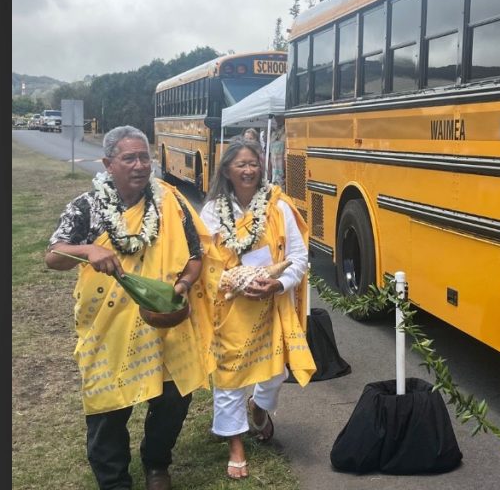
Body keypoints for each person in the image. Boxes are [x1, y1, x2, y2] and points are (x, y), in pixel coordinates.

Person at [45, 125, 214, 490]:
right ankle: (114, 480)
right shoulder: (86, 207)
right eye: (129, 158)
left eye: (144, 157)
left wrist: (181, 287)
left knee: (173, 399)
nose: (140, 165)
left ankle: (157, 464)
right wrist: (87, 250)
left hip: (163, 323)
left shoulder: (171, 203)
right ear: (109, 163)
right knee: (109, 409)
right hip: (109, 328)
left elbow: (195, 258)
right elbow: (53, 255)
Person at [198, 137, 316, 480]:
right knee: (229, 378)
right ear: (227, 171)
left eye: (253, 164)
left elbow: (299, 257)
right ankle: (236, 445)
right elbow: (206, 263)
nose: (249, 170)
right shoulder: (213, 211)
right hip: (231, 307)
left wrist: (277, 283)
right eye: (241, 165)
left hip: (271, 305)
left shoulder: (279, 207)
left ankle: (260, 409)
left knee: (275, 374)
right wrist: (238, 282)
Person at [268, 122, 285, 186]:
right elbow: (270, 154)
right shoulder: (273, 134)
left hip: (282, 168)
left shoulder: (286, 133)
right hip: (274, 169)